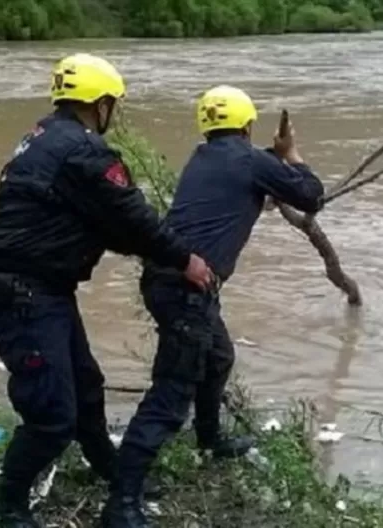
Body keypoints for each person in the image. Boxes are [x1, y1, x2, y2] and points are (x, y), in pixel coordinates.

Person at [0, 53, 214, 528]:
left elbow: (105, 224)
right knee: (52, 415)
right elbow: (133, 220)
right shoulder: (85, 153)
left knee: (86, 387)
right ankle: (10, 508)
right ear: (101, 104)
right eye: (113, 105)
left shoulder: (40, 137)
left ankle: (107, 468)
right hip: (24, 296)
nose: (113, 113)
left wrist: (151, 250)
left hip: (35, 290)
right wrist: (187, 260)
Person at [101, 85, 326, 528]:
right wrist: (291, 153)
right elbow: (312, 195)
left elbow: (246, 171)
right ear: (246, 125)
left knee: (219, 356)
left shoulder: (205, 157)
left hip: (169, 279)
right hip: (187, 288)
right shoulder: (252, 162)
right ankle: (121, 502)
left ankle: (209, 438)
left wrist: (272, 161)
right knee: (169, 395)